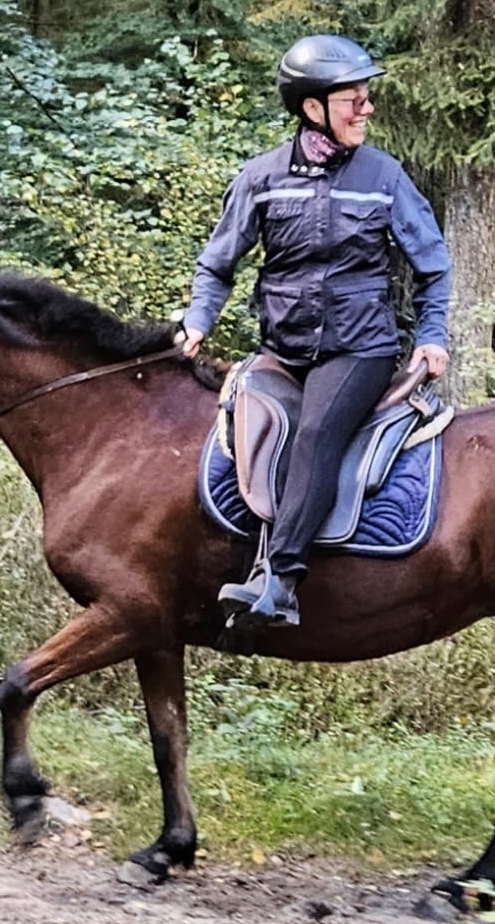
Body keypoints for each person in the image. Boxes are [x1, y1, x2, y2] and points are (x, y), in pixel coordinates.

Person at [177, 34, 452, 632]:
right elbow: (218, 263)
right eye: (354, 99)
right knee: (242, 428)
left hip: (361, 349)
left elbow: (432, 264)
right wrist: (198, 320)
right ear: (312, 108)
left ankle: (280, 581)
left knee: (316, 432)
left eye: (366, 97)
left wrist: (432, 336)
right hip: (281, 349)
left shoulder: (383, 176)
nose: (367, 109)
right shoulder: (261, 177)